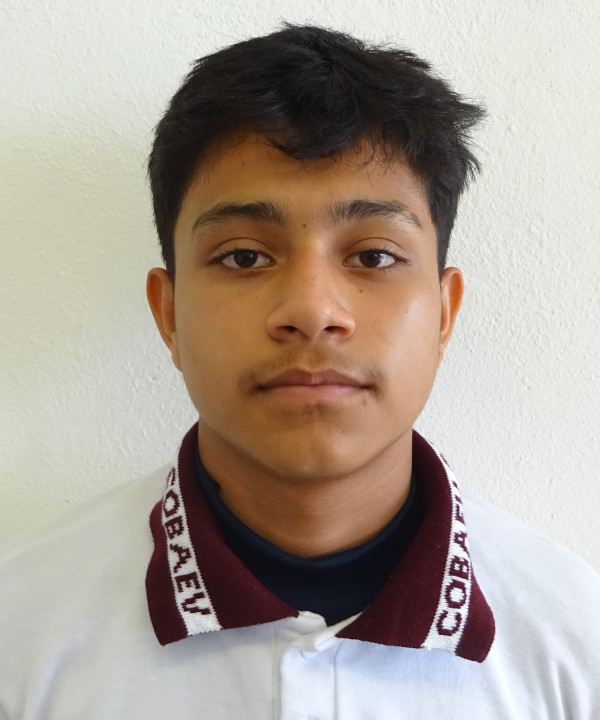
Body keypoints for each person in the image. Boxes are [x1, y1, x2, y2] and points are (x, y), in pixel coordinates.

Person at [1, 24, 598, 719]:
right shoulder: (21, 632)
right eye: (244, 257)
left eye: (373, 256)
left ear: (443, 313)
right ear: (169, 314)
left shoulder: (575, 644)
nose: (312, 312)